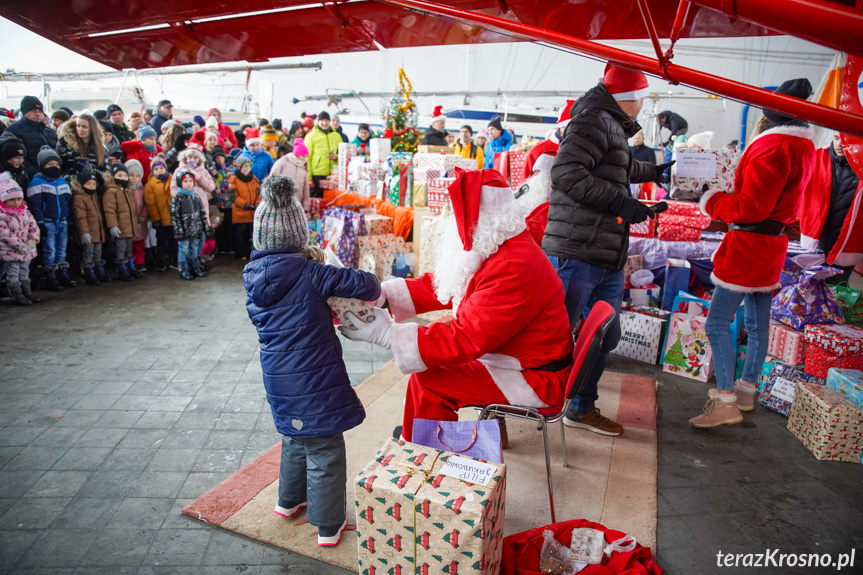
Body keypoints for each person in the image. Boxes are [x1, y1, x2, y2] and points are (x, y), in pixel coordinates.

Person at [342, 168, 573, 443]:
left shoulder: (514, 265)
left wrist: (388, 336)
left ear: (478, 215)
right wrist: (383, 294)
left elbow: (467, 337)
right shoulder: (501, 244)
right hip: (521, 361)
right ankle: (418, 437)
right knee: (431, 367)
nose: (452, 220)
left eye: (457, 212)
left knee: (430, 381)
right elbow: (444, 285)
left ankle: (426, 454)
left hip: (537, 380)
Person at [243, 174, 380, 547]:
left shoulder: (252, 276)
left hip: (278, 378)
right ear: (297, 235)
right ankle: (328, 524)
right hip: (315, 381)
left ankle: (289, 502)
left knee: (294, 438)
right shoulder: (312, 273)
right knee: (325, 449)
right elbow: (367, 285)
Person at [542, 64, 673, 437]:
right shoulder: (591, 121)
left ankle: (582, 407)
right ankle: (531, 402)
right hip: (576, 250)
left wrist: (656, 172)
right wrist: (623, 205)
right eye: (642, 98)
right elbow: (566, 173)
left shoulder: (609, 125)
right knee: (555, 335)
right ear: (629, 99)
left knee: (604, 335)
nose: (644, 105)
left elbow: (617, 166)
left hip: (604, 254)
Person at [692, 79, 817, 428]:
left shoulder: (773, 147)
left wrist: (712, 200)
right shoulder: (802, 147)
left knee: (717, 322)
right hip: (771, 247)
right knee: (757, 324)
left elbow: (752, 207)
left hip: (748, 247)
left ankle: (726, 399)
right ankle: (746, 391)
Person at [799, 130, 862, 283]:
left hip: (846, 248)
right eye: (836, 138)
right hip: (814, 242)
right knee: (803, 294)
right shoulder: (816, 157)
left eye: (845, 140)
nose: (839, 144)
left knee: (835, 296)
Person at [27, 146, 75, 291]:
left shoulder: (63, 183)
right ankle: (51, 275)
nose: (54, 167)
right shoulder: (36, 183)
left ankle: (62, 272)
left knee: (62, 250)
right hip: (48, 222)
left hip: (62, 222)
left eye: (56, 164)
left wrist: (69, 219)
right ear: (42, 166)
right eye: (50, 164)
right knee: (50, 250)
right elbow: (35, 205)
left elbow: (68, 202)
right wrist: (40, 223)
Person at [0, 173, 41, 305]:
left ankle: (27, 292)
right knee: (13, 273)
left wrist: (32, 240)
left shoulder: (25, 211)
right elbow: (4, 234)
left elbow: (33, 226)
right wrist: (19, 245)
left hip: (27, 250)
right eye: (12, 200)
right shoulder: (2, 215)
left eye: (19, 199)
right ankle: (16, 295)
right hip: (11, 251)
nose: (16, 202)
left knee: (25, 271)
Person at [3, 96, 59, 178]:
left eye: (40, 111)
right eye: (33, 110)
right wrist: (37, 174)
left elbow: (57, 153)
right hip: (28, 178)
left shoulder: (49, 132)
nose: (37, 114)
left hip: (53, 176)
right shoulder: (13, 131)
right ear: (24, 112)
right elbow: (15, 157)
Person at [103, 164, 140, 282]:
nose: (123, 177)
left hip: (129, 227)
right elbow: (109, 210)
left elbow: (133, 209)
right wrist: (113, 225)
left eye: (125, 175)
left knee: (129, 248)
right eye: (120, 175)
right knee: (120, 249)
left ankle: (130, 266)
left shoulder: (128, 190)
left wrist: (136, 222)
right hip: (120, 228)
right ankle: (121, 269)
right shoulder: (111, 191)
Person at [71, 166, 106, 285]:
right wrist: (84, 232)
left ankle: (99, 270)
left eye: (93, 183)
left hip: (98, 231)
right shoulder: (79, 197)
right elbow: (80, 217)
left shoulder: (94, 196)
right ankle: (89, 272)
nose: (91, 186)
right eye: (88, 184)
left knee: (97, 253)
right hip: (89, 232)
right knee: (88, 253)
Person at [170, 170, 208, 280]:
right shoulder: (177, 198)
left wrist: (205, 227)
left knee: (194, 248)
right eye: (185, 181)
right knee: (183, 249)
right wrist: (178, 231)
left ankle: (194, 267)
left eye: (191, 181)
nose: (188, 183)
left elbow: (202, 213)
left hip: (196, 230)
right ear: (179, 183)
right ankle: (183, 269)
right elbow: (175, 216)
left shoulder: (196, 197)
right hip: (184, 231)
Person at [522, 101, 573, 179]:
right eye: (568, 128)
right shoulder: (540, 150)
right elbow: (524, 181)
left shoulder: (586, 151)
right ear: (561, 127)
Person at [170, 142, 216, 221]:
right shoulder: (179, 170)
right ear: (186, 157)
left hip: (201, 205)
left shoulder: (203, 171)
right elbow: (173, 187)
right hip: (185, 206)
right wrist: (180, 199)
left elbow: (211, 187)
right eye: (190, 157)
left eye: (195, 158)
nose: (192, 159)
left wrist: (199, 177)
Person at [228, 156, 261, 260]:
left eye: (249, 165)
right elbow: (232, 196)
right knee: (239, 235)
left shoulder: (254, 180)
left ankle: (249, 252)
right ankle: (240, 253)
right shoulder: (234, 180)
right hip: (240, 213)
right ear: (239, 167)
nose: (247, 168)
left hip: (252, 213)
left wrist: (257, 203)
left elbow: (259, 194)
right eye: (245, 166)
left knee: (250, 235)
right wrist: (244, 204)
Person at [145, 158, 174, 271]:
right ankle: (161, 262)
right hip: (161, 219)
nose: (159, 171)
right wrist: (156, 219)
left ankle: (173, 260)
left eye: (161, 168)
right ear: (152, 171)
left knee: (173, 240)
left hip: (172, 218)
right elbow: (151, 204)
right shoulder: (150, 185)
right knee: (161, 241)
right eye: (156, 169)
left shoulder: (172, 180)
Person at [56, 113, 106, 179]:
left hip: (93, 184)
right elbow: (58, 166)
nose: (80, 129)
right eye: (78, 126)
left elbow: (105, 172)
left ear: (92, 129)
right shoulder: (66, 143)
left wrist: (91, 171)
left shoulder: (100, 147)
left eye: (84, 127)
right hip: (70, 183)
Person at [304, 112, 341, 198]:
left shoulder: (336, 136)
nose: (324, 123)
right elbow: (306, 158)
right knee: (317, 201)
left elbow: (342, 154)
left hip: (333, 175)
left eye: (327, 120)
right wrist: (309, 178)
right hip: (317, 175)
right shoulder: (311, 136)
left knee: (330, 201)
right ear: (318, 122)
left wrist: (336, 157)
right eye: (322, 120)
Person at [271, 138, 311, 212]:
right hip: (281, 202)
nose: (304, 159)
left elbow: (306, 188)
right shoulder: (283, 162)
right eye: (303, 156)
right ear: (297, 154)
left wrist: (306, 207)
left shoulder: (303, 168)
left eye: (305, 157)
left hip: (296, 203)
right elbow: (272, 178)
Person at [125, 160, 149, 272]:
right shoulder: (125, 190)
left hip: (140, 222)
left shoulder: (142, 190)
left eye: (137, 176)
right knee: (129, 246)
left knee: (139, 244)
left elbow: (145, 204)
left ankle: (140, 263)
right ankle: (130, 264)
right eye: (131, 175)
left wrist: (142, 216)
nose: (134, 178)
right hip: (128, 222)